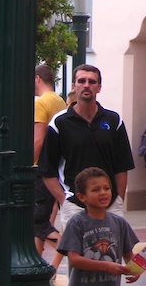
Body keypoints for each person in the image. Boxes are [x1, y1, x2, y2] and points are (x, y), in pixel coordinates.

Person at [37, 64, 134, 232]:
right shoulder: (60, 123)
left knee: (111, 254)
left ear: (99, 87)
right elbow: (47, 170)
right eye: (81, 81)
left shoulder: (113, 121)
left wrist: (118, 199)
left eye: (92, 81)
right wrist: (64, 201)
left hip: (109, 205)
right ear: (74, 86)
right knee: (77, 256)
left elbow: (122, 166)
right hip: (75, 205)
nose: (86, 85)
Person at [33, 64, 66, 253]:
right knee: (42, 221)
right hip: (56, 167)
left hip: (40, 169)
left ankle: (73, 251)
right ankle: (39, 263)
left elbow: (39, 139)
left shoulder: (40, 103)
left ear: (38, 79)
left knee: (38, 222)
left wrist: (29, 165)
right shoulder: (59, 101)